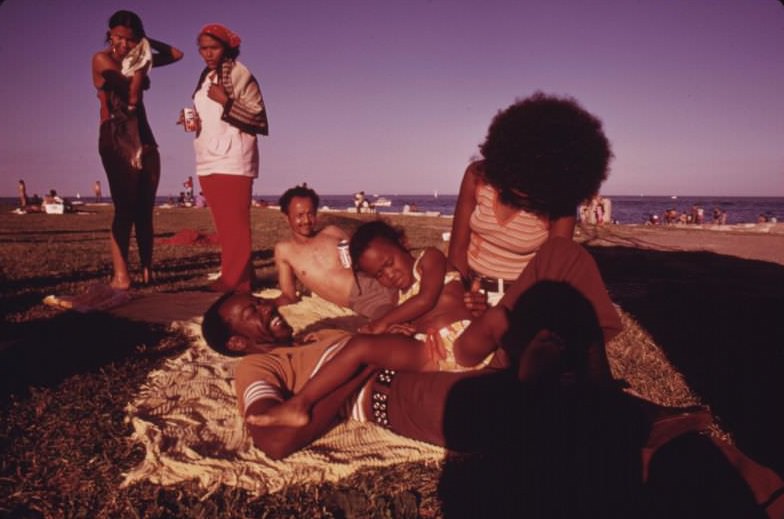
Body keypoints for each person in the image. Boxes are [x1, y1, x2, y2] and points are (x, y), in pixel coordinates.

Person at [202, 239, 784, 517]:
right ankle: (678, 456)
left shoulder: (317, 332)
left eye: (259, 301)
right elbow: (274, 437)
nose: (266, 309)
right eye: (250, 314)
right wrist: (362, 365)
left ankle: (592, 392)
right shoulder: (258, 367)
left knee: (561, 257)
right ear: (235, 342)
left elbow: (405, 316)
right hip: (399, 391)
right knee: (554, 420)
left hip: (455, 352)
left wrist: (456, 316)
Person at [251, 219, 492, 428]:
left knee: (498, 320)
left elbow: (426, 300)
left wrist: (382, 323)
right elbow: (411, 319)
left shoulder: (430, 258)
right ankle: (299, 403)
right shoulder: (399, 298)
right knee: (360, 346)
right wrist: (398, 329)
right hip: (430, 354)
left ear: (403, 244)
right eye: (379, 275)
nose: (389, 276)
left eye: (389, 264)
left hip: (466, 342)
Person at [448, 92, 612, 305]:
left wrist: (505, 310)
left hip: (523, 298)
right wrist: (460, 295)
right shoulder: (477, 176)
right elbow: (457, 249)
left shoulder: (560, 203)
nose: (522, 185)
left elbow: (551, 275)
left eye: (537, 177)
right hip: (471, 289)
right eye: (519, 170)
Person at [92, 10, 183, 289]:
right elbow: (130, 89)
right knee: (124, 209)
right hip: (116, 135)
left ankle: (147, 270)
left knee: (144, 209)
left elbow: (177, 54)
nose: (122, 43)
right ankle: (121, 275)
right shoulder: (101, 59)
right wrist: (141, 63)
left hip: (143, 135)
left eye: (129, 39)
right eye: (117, 36)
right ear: (109, 34)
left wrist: (144, 43)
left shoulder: (137, 58)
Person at [181, 23, 269, 292]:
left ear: (228, 47)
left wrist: (226, 102)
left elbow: (257, 115)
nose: (208, 53)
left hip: (233, 157)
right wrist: (191, 119)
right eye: (203, 48)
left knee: (235, 223)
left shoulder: (240, 73)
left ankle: (236, 282)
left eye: (214, 48)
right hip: (208, 156)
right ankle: (240, 275)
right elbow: (210, 114)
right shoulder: (204, 77)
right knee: (224, 224)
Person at [273, 185, 397, 318]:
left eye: (311, 213)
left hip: (379, 280)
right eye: (300, 215)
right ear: (286, 217)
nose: (306, 220)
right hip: (361, 299)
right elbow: (288, 295)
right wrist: (264, 304)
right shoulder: (284, 250)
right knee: (393, 321)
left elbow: (363, 255)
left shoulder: (332, 232)